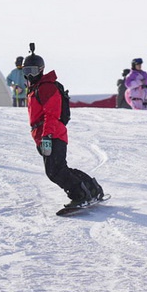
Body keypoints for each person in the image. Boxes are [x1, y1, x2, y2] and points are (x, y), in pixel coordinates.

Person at [23, 46, 105, 208]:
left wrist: (47, 137)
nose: (29, 75)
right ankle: (91, 189)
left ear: (41, 70)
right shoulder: (36, 88)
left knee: (55, 171)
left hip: (52, 135)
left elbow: (51, 114)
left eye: (32, 70)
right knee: (58, 169)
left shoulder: (47, 87)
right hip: (46, 135)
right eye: (26, 70)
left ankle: (80, 195)